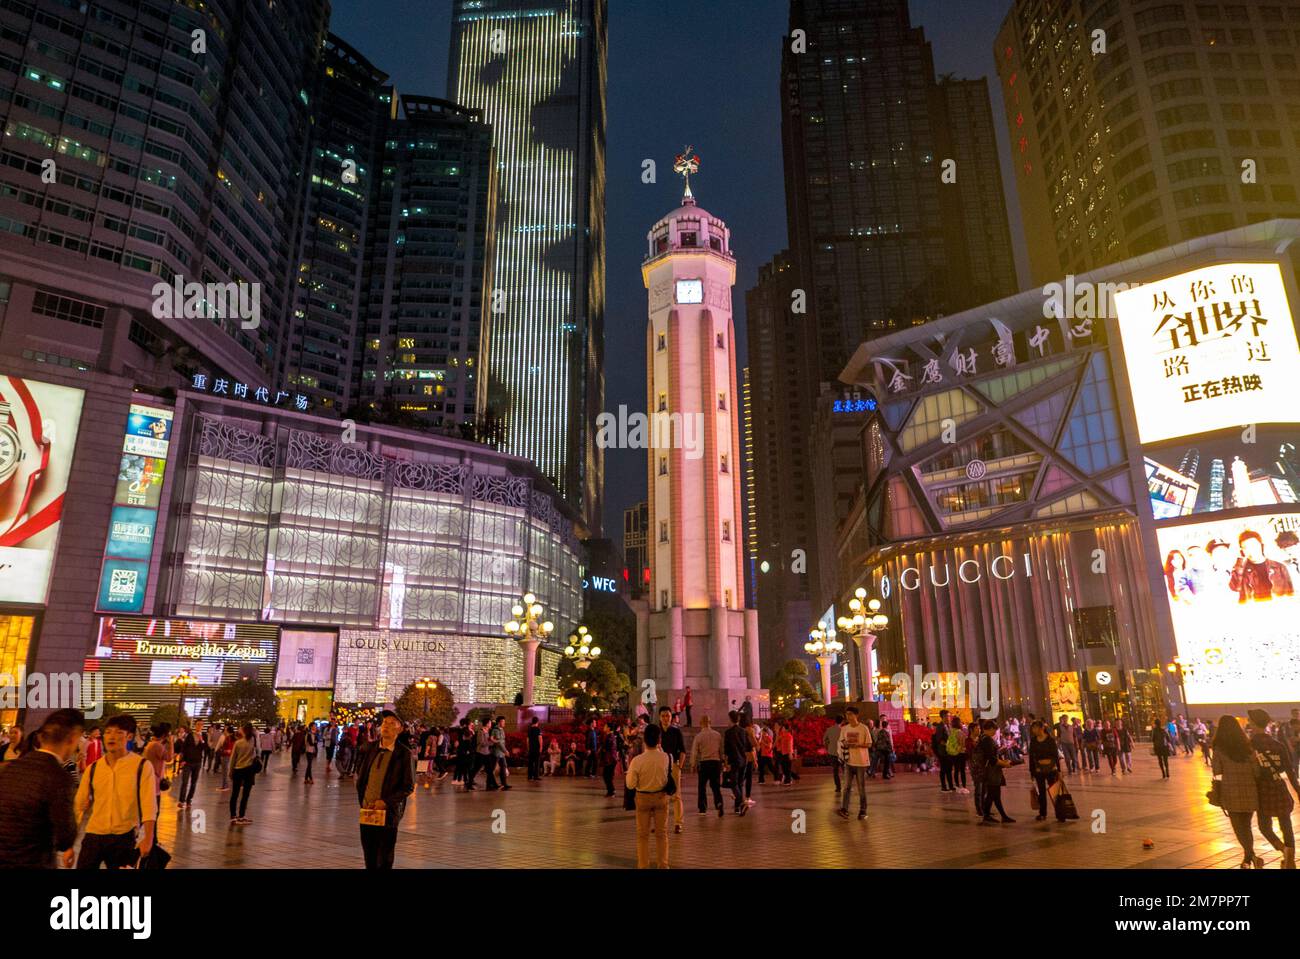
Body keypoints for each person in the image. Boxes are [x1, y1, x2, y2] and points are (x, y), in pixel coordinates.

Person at [0, 709, 84, 868]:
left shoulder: (11, 767)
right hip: (32, 861)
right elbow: (65, 837)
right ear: (72, 738)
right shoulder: (58, 777)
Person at [74, 715, 157, 869]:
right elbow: (78, 806)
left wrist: (149, 838)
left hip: (124, 836)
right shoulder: (93, 768)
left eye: (119, 732)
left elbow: (149, 805)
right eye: (108, 732)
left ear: (129, 736)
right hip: (94, 834)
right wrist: (68, 846)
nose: (111, 736)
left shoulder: (142, 766)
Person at [356, 710, 415, 869]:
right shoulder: (370, 748)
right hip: (367, 812)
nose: (386, 726)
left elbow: (408, 786)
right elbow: (361, 778)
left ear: (400, 729)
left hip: (388, 814)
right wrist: (363, 801)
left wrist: (386, 802)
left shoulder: (404, 754)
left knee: (384, 858)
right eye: (384, 723)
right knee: (369, 856)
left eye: (391, 723)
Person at [1247, 709, 1299, 869]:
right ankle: (1290, 859)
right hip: (1278, 787)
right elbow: (1289, 770)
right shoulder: (1278, 745)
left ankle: (1283, 849)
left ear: (1255, 723)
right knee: (1286, 824)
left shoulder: (1249, 745)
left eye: (1250, 720)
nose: (1249, 723)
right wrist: (1297, 790)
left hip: (1262, 789)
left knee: (1264, 825)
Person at [1211, 715, 1264, 868]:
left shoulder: (1219, 748)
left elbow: (1217, 770)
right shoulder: (1248, 747)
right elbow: (1257, 771)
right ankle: (1248, 859)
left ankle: (1251, 856)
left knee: (1238, 827)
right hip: (1250, 791)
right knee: (1246, 826)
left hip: (1230, 791)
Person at [625, 723, 671, 868]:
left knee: (642, 835)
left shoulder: (637, 761)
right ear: (659, 740)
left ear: (644, 740)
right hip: (661, 798)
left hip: (643, 798)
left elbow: (630, 784)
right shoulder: (666, 757)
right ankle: (663, 865)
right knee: (661, 834)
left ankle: (643, 865)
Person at [976, 719, 1015, 824]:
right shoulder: (987, 740)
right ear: (990, 729)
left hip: (989, 770)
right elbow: (992, 759)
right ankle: (987, 816)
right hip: (991, 771)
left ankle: (1002, 816)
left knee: (995, 794)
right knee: (992, 794)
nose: (995, 732)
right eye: (994, 729)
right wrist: (1004, 764)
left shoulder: (981, 738)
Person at [838, 707, 872, 820]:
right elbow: (841, 740)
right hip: (849, 761)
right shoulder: (844, 728)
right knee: (847, 787)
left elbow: (869, 744)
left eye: (851, 714)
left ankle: (863, 811)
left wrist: (858, 745)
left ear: (856, 715)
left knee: (861, 788)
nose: (848, 716)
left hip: (861, 762)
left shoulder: (863, 728)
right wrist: (845, 744)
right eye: (847, 714)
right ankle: (844, 809)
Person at [1028, 721, 1065, 822]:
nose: (1033, 730)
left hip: (1051, 769)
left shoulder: (1050, 740)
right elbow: (1031, 757)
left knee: (1054, 791)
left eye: (1035, 728)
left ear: (1042, 728)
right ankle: (1042, 813)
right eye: (1033, 728)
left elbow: (1056, 756)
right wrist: (1031, 772)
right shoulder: (1033, 741)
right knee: (1041, 792)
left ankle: (1060, 814)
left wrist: (1059, 770)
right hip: (1038, 770)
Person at [657, 707, 685, 833]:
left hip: (673, 765)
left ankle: (678, 823)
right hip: (659, 767)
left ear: (671, 717)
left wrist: (679, 766)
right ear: (659, 717)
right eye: (663, 716)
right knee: (660, 795)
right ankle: (661, 823)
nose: (665, 718)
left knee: (676, 795)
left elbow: (683, 750)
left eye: (667, 715)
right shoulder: (657, 732)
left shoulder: (676, 731)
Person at [690, 715, 724, 817]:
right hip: (716, 763)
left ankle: (702, 808)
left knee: (702, 786)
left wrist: (693, 764)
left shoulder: (699, 736)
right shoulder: (717, 735)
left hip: (704, 763)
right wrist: (723, 762)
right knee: (716, 786)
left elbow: (694, 752)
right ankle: (719, 804)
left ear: (701, 723)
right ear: (710, 722)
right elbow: (721, 750)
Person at [228, 724, 259, 825]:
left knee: (235, 794)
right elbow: (259, 752)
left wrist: (230, 771)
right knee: (245, 794)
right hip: (249, 770)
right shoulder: (253, 742)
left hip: (238, 770)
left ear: (244, 731)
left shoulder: (238, 743)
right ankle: (241, 816)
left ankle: (233, 816)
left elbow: (233, 759)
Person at [723, 711, 749, 816]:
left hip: (734, 760)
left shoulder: (728, 732)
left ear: (730, 719)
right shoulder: (743, 731)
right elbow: (746, 746)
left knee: (733, 784)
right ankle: (737, 808)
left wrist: (726, 763)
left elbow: (727, 749)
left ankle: (742, 803)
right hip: (743, 760)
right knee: (739, 784)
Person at [175, 725, 203, 808]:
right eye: (198, 724)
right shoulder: (190, 735)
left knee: (193, 783)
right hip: (187, 762)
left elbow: (205, 748)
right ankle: (181, 801)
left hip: (197, 762)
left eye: (201, 724)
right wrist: (182, 760)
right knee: (185, 782)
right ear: (196, 725)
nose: (199, 726)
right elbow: (184, 747)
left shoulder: (203, 736)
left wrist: (202, 741)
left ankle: (189, 800)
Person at [824, 715, 844, 793]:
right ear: (842, 721)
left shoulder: (829, 730)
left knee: (835, 771)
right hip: (842, 753)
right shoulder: (843, 730)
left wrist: (827, 748)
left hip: (832, 753)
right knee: (845, 770)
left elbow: (825, 740)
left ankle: (838, 787)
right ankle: (847, 786)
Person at [600, 722, 620, 797]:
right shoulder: (610, 736)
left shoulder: (609, 737)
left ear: (608, 728)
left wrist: (603, 750)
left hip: (610, 760)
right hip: (611, 759)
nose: (604, 727)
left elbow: (607, 748)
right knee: (608, 776)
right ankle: (610, 791)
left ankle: (612, 791)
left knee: (606, 775)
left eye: (605, 726)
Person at [491, 716, 511, 790]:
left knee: (503, 767)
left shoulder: (502, 730)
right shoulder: (495, 730)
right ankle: (491, 783)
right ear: (499, 722)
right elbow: (498, 743)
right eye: (503, 722)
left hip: (501, 753)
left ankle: (504, 784)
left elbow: (502, 742)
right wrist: (505, 751)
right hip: (496, 752)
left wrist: (504, 751)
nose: (504, 723)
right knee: (491, 769)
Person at [526, 717, 542, 782]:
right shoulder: (538, 729)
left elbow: (527, 740)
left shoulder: (529, 730)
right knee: (537, 762)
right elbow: (540, 738)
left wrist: (528, 748)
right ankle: (536, 776)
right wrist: (541, 747)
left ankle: (529, 776)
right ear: (537, 722)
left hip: (531, 748)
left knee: (530, 763)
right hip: (536, 748)